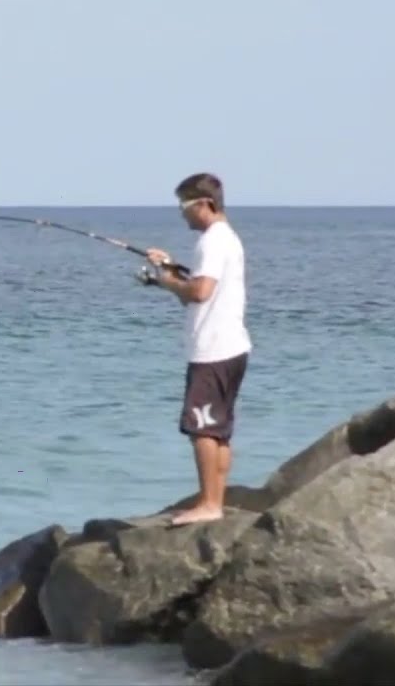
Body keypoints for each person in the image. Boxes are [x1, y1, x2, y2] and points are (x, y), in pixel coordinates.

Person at [143, 172, 251, 526]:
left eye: (185, 206)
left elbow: (200, 292)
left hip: (213, 351)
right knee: (218, 429)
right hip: (232, 348)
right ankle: (215, 500)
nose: (182, 213)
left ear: (204, 204)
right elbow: (201, 292)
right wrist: (171, 272)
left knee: (202, 429)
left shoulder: (213, 241)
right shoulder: (225, 239)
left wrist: (164, 281)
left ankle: (209, 504)